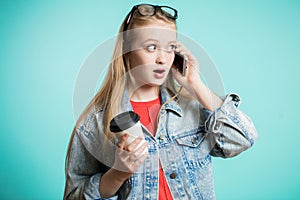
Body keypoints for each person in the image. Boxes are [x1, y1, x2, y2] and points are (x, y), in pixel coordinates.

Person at [64, 4, 258, 200]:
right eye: (151, 47)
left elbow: (243, 138)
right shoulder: (95, 123)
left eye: (170, 48)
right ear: (127, 49)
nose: (162, 59)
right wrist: (117, 175)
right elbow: (73, 196)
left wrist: (195, 84)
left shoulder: (192, 110)